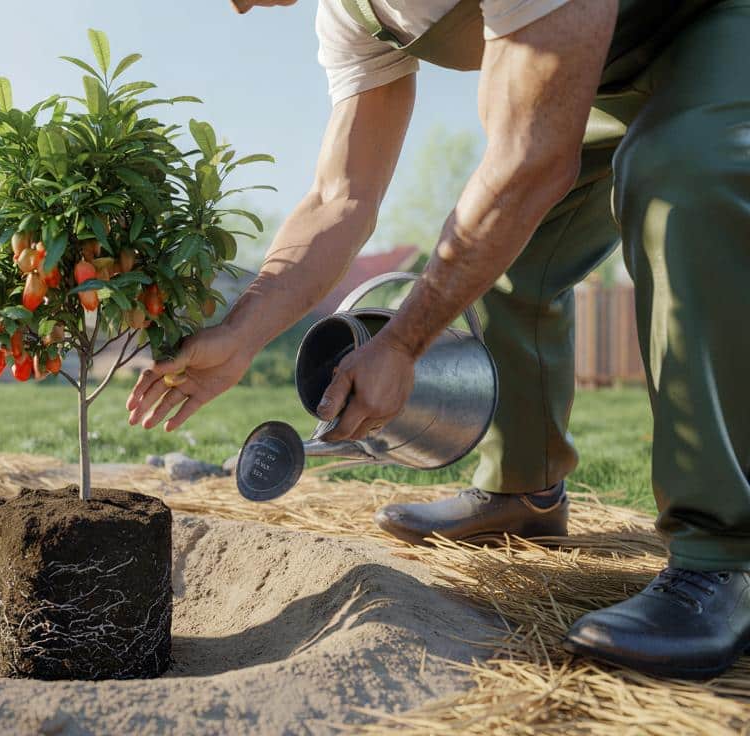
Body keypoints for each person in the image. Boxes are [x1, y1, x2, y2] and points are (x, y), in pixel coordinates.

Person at [126, 0, 750, 680]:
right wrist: (241, 334)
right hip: (605, 67)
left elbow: (532, 159)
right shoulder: (351, 14)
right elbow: (339, 198)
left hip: (717, 20)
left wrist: (401, 342)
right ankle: (524, 491)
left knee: (682, 173)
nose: (236, 6)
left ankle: (726, 556)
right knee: (503, 243)